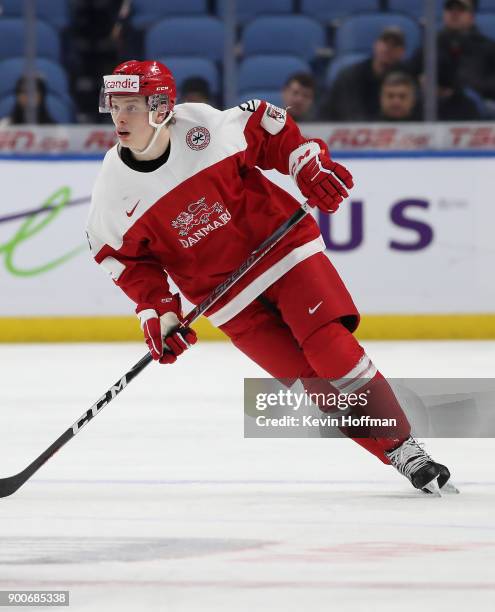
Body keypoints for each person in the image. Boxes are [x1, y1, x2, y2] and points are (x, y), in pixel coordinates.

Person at [86, 60, 457, 495]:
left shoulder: (202, 127)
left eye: (132, 105)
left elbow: (267, 123)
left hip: (283, 254)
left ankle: (406, 446)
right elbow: (124, 259)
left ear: (162, 106)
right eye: (115, 105)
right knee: (318, 389)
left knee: (328, 346)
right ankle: (399, 454)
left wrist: (306, 164)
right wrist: (159, 312)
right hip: (225, 300)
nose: (120, 117)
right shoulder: (113, 189)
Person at [410, 0, 495, 102]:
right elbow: (409, 72)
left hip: (477, 104)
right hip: (435, 103)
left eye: (461, 9)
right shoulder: (432, 45)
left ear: (472, 16)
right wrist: (420, 83)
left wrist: (461, 89)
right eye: (450, 8)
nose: (454, 13)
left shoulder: (486, 46)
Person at [318, 27, 407, 121]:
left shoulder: (405, 77)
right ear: (375, 45)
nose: (388, 48)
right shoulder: (351, 75)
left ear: (402, 52)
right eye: (385, 42)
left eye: (395, 45)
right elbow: (348, 114)